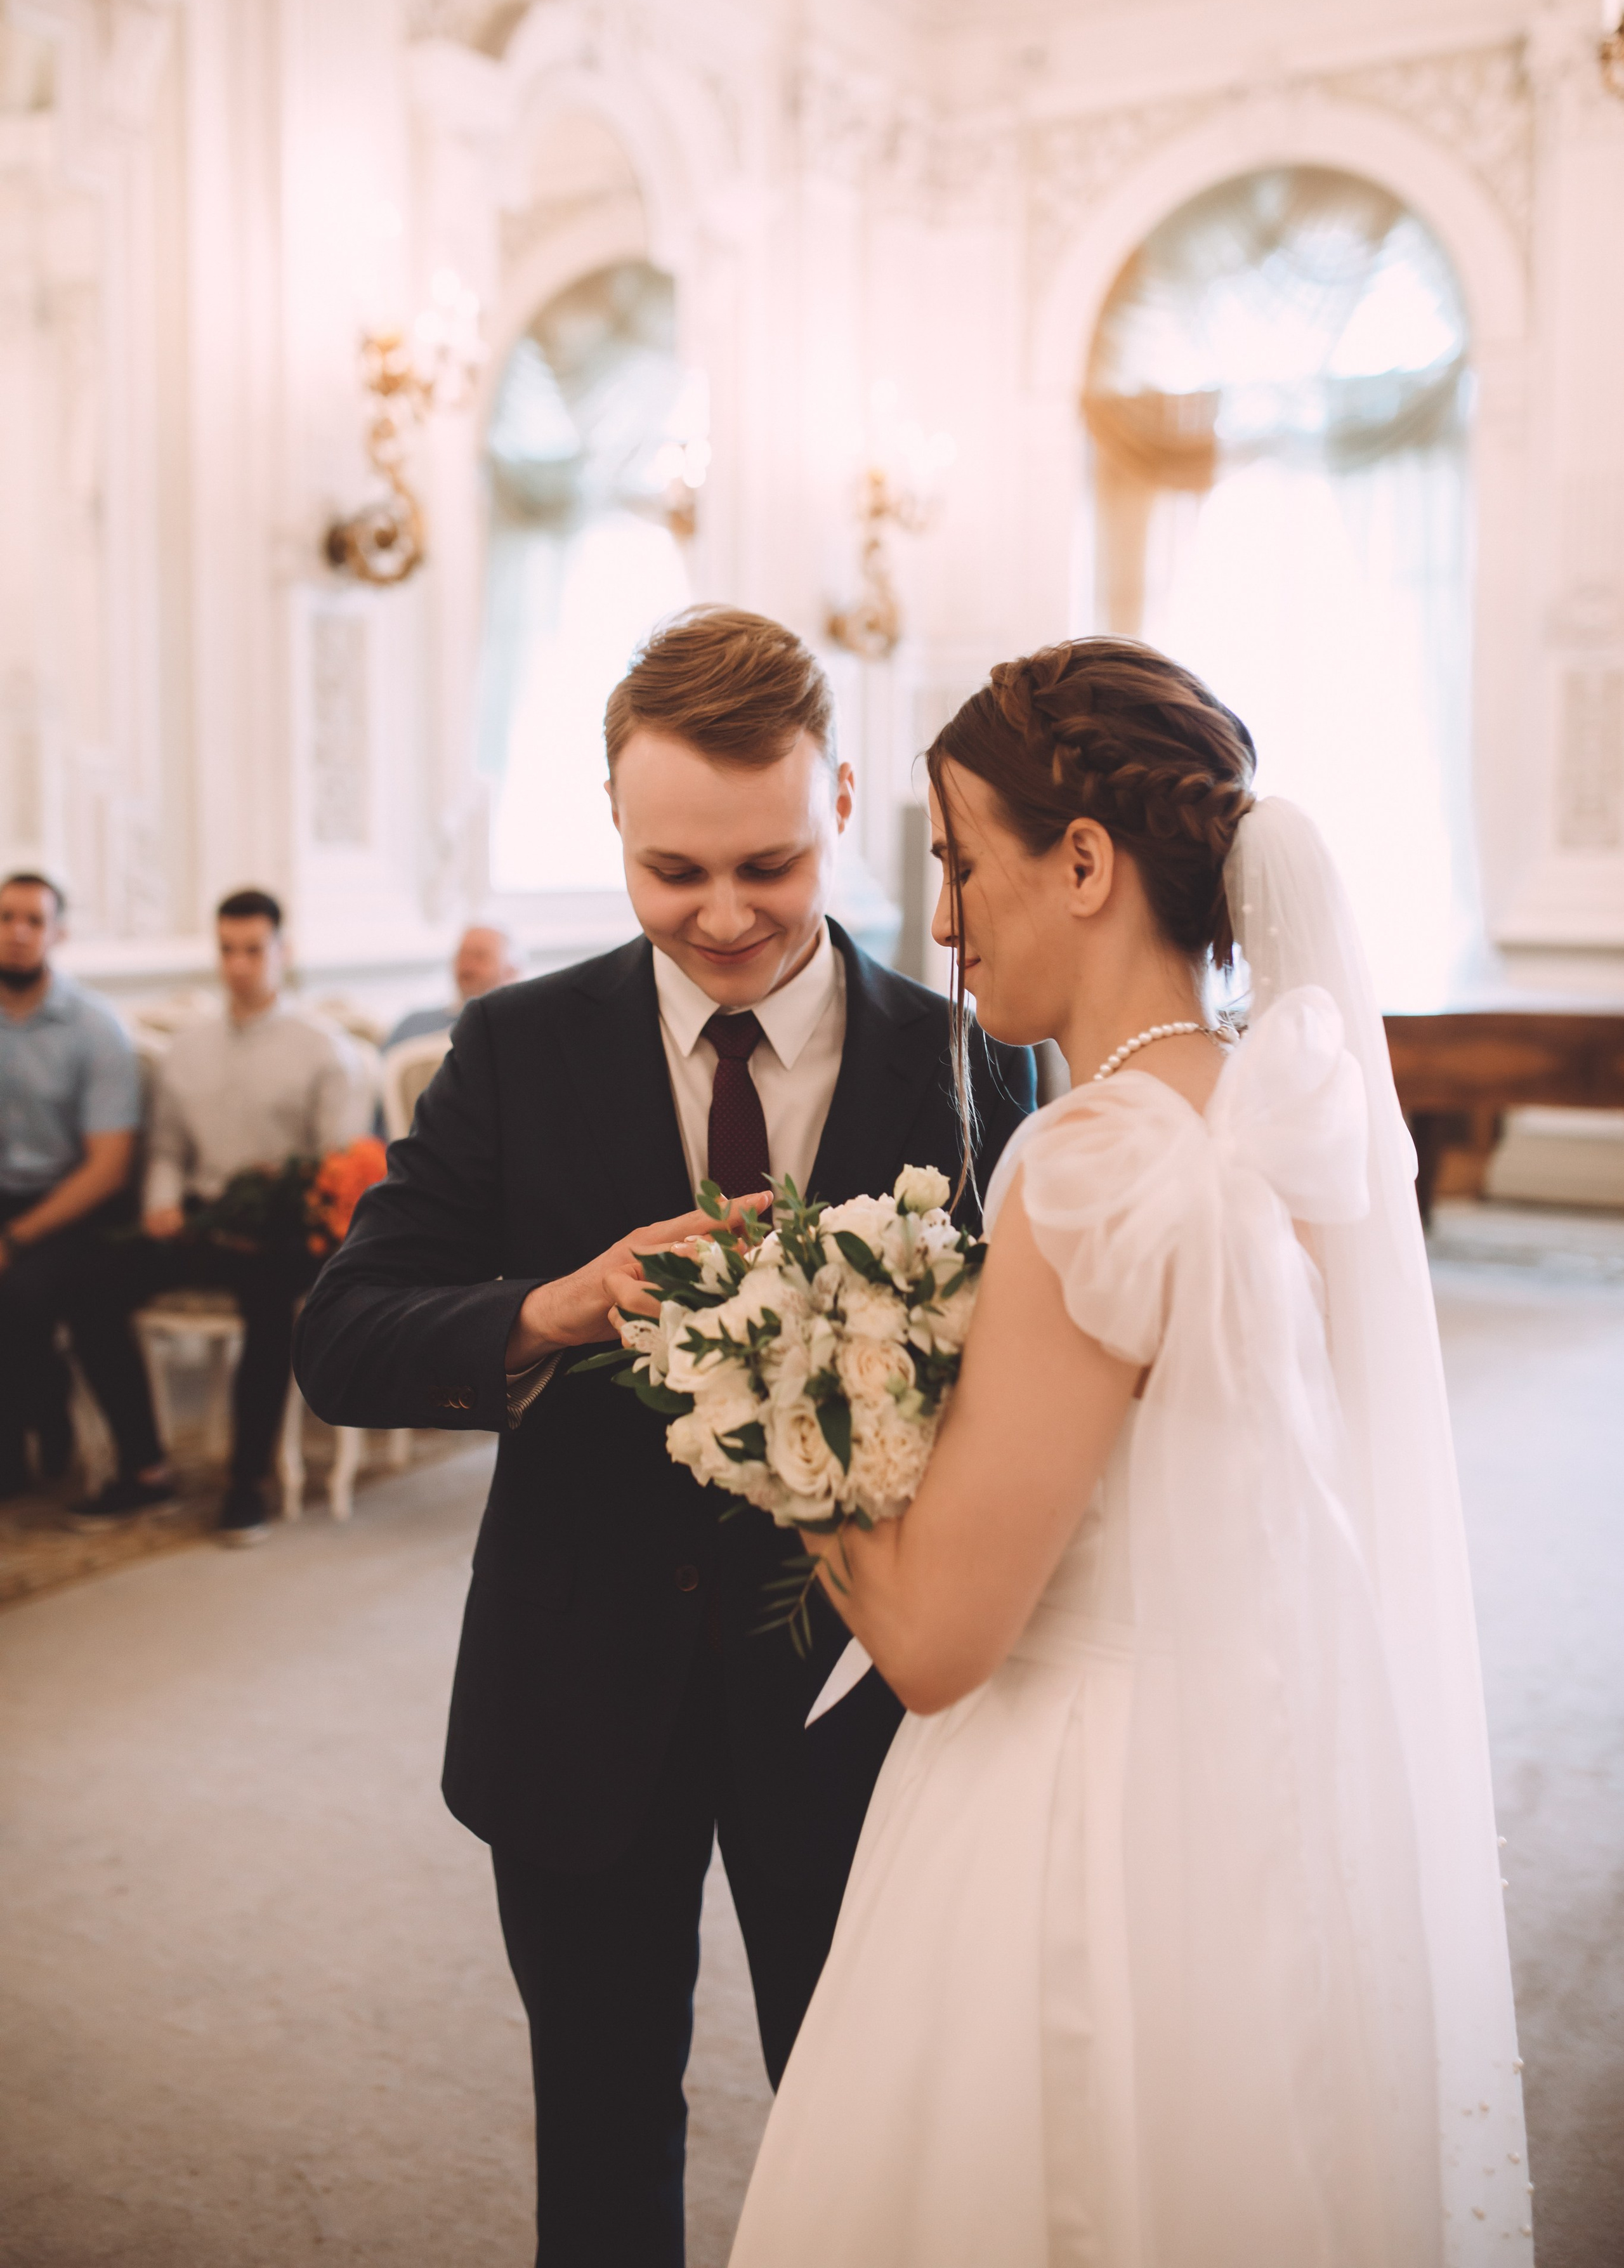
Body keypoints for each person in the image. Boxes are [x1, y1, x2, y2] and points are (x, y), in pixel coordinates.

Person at [720, 639, 1529, 2267]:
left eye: (958, 861)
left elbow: (943, 1643)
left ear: (1079, 860)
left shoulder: (1091, 1157)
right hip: (1248, 1767)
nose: (941, 919)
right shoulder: (1266, 1102)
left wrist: (778, 1411)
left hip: (1069, 1791)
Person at [293, 606, 1037, 2267]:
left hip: (862, 1716)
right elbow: (340, 1341)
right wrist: (553, 1309)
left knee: (875, 2150)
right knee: (605, 2142)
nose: (719, 916)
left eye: (766, 865)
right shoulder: (514, 1049)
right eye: (669, 870)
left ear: (843, 797)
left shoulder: (981, 1065)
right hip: (573, 1700)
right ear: (612, 826)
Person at [67, 888, 363, 1545]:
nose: (239, 965)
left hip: (283, 1232)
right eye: (227, 950)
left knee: (266, 1298)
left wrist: (283, 1209)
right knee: (88, 1282)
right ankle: (145, 1467)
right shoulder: (186, 1051)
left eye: (254, 950)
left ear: (283, 952)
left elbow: (334, 1171)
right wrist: (162, 1204)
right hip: (198, 1219)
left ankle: (245, 1482)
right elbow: (168, 1149)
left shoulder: (325, 1051)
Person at [0, 873, 141, 1496]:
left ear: (59, 932)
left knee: (23, 1292)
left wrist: (15, 1235)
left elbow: (108, 1166)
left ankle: (46, 1417)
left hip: (71, 1202)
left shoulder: (93, 1026)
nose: (18, 933)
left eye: (34, 920)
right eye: (6, 918)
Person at [383, 924, 520, 1051]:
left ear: (510, 972)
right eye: (463, 955)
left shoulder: (519, 1030)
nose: (468, 965)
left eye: (480, 956)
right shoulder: (413, 1023)